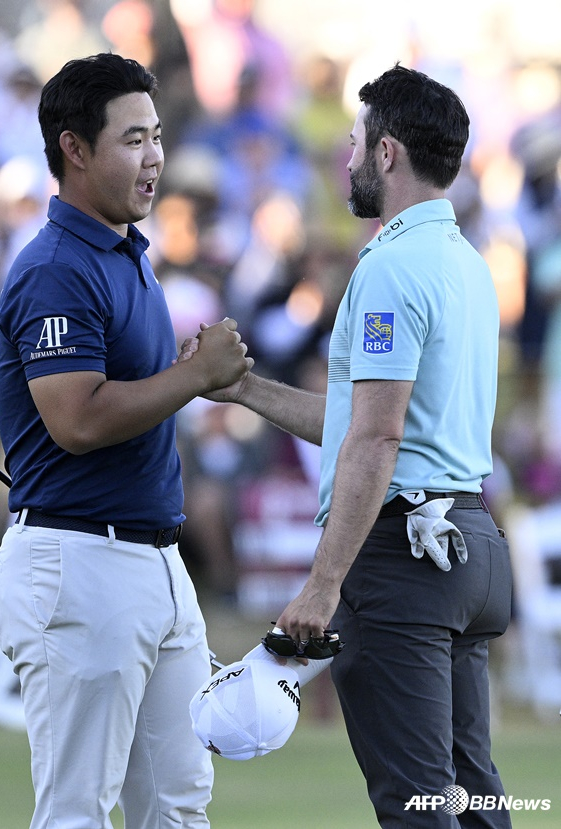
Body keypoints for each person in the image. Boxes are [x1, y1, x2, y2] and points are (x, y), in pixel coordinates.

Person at [188, 64, 513, 827]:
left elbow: (377, 434)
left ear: (388, 153)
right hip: (471, 548)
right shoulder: (465, 263)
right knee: (470, 799)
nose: (346, 158)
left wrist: (322, 583)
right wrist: (244, 390)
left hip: (406, 561)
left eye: (355, 141)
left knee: (417, 807)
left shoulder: (390, 267)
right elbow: (362, 417)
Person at [0, 53, 252, 829]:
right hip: (80, 564)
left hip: (154, 564)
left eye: (157, 136)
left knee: (178, 805)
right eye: (133, 139)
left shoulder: (130, 256)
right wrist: (196, 374)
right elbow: (78, 419)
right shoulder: (56, 267)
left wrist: (193, 375)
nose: (154, 157)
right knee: (77, 812)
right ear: (74, 148)